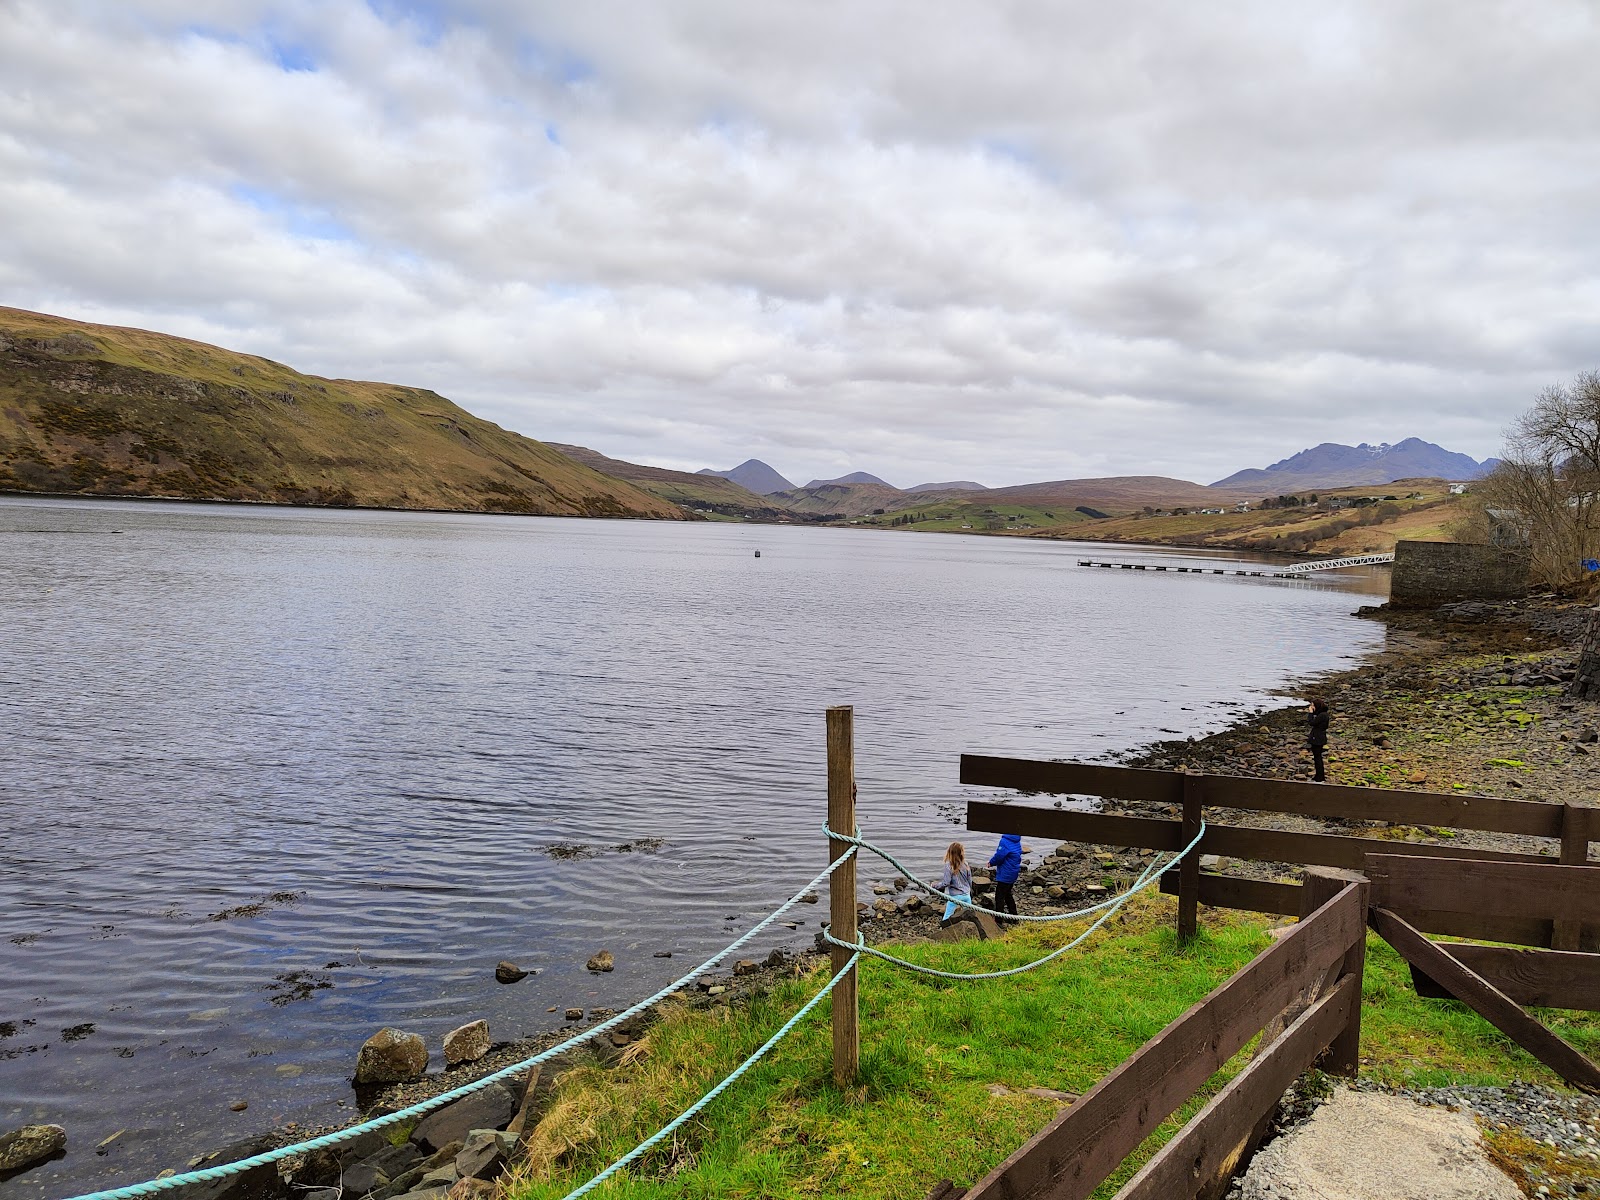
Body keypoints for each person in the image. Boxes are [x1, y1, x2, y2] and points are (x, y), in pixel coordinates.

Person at [987, 833, 1022, 921]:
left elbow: (999, 856)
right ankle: (1014, 916)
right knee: (1007, 894)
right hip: (1013, 872)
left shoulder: (1005, 841)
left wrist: (991, 862)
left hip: (1006, 873)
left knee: (999, 896)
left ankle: (999, 919)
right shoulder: (1016, 840)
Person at [938, 841, 972, 925]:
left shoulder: (948, 865)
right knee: (969, 915)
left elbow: (946, 883)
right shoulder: (965, 864)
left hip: (955, 897)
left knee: (947, 916)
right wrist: (969, 890)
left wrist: (935, 886)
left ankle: (944, 930)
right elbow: (970, 880)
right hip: (966, 895)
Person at [1307, 697, 1330, 782]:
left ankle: (1320, 777)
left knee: (1318, 758)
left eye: (1312, 705)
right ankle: (1319, 775)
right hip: (1320, 737)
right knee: (1317, 757)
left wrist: (1310, 713)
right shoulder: (1323, 714)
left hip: (1317, 738)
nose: (1311, 707)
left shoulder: (1322, 715)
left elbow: (1312, 723)